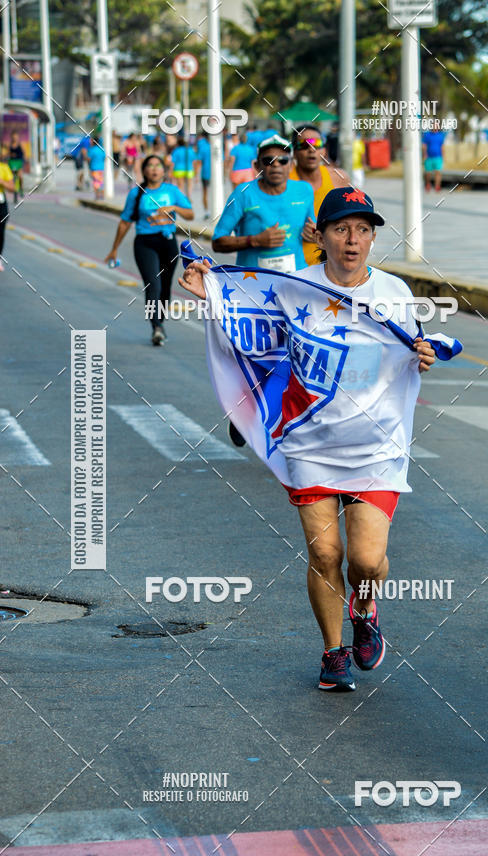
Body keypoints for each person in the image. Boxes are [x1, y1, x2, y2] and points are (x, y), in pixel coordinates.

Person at [180, 187, 460, 691]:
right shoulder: (292, 287)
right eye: (340, 229)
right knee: (326, 554)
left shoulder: (394, 293)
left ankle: (366, 607)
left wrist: (429, 352)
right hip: (310, 443)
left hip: (377, 446)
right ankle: (333, 652)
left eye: (363, 230)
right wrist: (213, 296)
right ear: (321, 236)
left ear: (373, 236)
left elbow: (426, 341)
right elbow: (253, 331)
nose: (352, 240)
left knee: (366, 561)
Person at [105, 154, 194, 346]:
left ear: (164, 170)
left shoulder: (172, 191)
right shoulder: (137, 193)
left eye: (158, 165)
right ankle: (156, 327)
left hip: (168, 243)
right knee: (153, 285)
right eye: (150, 166)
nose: (154, 169)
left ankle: (159, 322)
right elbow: (125, 222)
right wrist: (114, 249)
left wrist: (173, 207)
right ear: (144, 171)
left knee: (165, 288)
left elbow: (190, 214)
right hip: (145, 243)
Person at [212, 134, 314, 273]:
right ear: (256, 165)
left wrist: (316, 235)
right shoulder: (243, 193)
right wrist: (255, 240)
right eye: (268, 160)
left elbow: (313, 231)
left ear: (291, 165)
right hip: (254, 284)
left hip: (296, 280)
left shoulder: (304, 190)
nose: (276, 164)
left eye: (283, 160)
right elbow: (218, 242)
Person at [290, 124, 351, 265]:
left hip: (330, 263)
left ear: (324, 150)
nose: (311, 150)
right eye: (304, 145)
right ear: (294, 152)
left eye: (317, 144)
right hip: (293, 265)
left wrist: (323, 231)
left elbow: (350, 220)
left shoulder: (339, 178)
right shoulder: (283, 180)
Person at [0, 148, 14, 270]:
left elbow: (12, 187)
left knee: (0, 233)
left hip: (1, 204)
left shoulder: (4, 168)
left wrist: (2, 182)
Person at [422, 127, 445, 192]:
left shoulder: (440, 135)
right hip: (429, 157)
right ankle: (428, 184)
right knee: (427, 173)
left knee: (438, 172)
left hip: (438, 157)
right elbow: (424, 146)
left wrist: (443, 156)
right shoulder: (427, 135)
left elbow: (442, 146)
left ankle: (437, 186)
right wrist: (424, 155)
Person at [195, 132, 211, 219]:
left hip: (205, 173)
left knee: (205, 193)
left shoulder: (203, 147)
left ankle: (207, 211)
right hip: (213, 175)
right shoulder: (217, 147)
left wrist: (196, 175)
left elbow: (199, 162)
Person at [8, 131, 25, 202]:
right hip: (12, 162)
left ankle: (21, 188)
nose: (15, 138)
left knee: (20, 176)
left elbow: (23, 153)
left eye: (16, 137)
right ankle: (14, 192)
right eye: (13, 137)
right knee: (13, 178)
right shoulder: (10, 145)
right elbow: (8, 153)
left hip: (18, 162)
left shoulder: (20, 145)